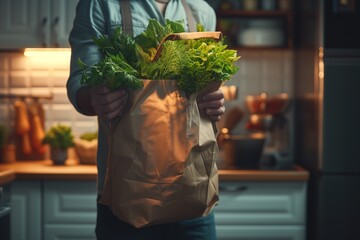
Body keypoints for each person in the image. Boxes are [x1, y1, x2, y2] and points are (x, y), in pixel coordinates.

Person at [67, 0, 225, 239]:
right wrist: (94, 97)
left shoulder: (202, 11)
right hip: (126, 202)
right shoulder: (101, 5)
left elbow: (205, 96)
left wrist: (214, 103)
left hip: (193, 200)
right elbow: (80, 80)